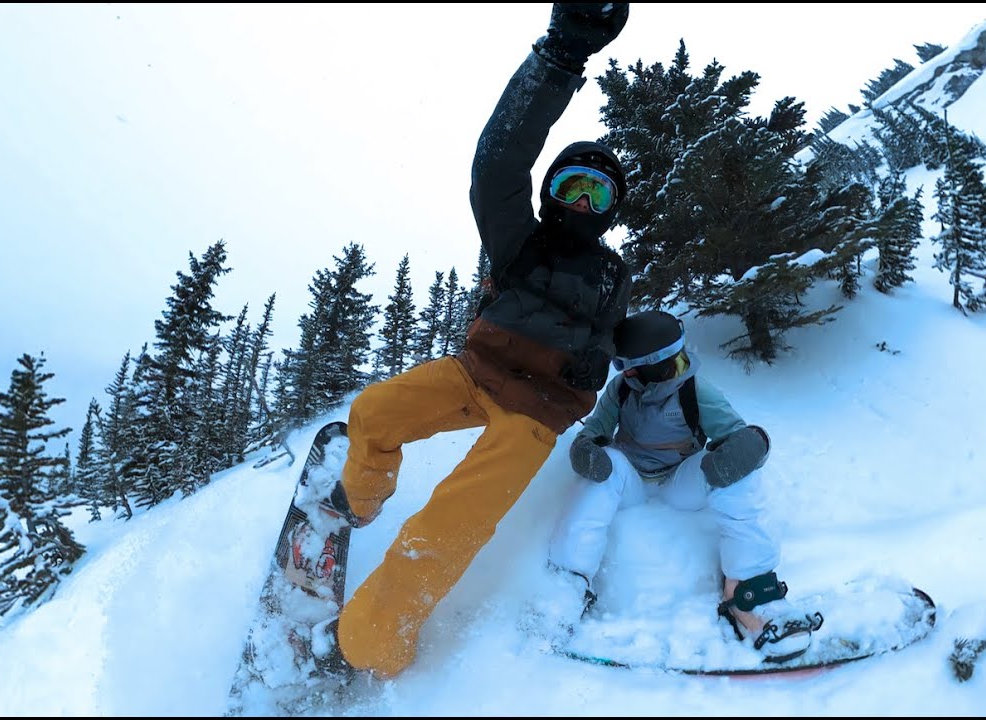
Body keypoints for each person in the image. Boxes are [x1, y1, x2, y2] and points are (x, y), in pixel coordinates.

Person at [311, 3, 635, 681]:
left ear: (611, 211)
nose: (581, 203)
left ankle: (369, 646)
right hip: (474, 373)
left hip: (536, 413)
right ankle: (359, 502)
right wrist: (559, 57)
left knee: (448, 522)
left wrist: (597, 359)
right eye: (572, 186)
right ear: (550, 194)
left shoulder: (612, 275)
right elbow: (498, 163)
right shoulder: (520, 240)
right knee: (375, 411)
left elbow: (609, 337)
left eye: (597, 195)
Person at [541, 309, 822, 663]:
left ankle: (749, 593)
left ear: (652, 364)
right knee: (605, 467)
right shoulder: (622, 389)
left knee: (735, 471)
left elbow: (735, 438)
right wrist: (586, 451)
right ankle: (566, 586)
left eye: (627, 365)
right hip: (632, 481)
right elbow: (596, 430)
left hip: (678, 482)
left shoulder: (695, 391)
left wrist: (748, 449)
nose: (622, 372)